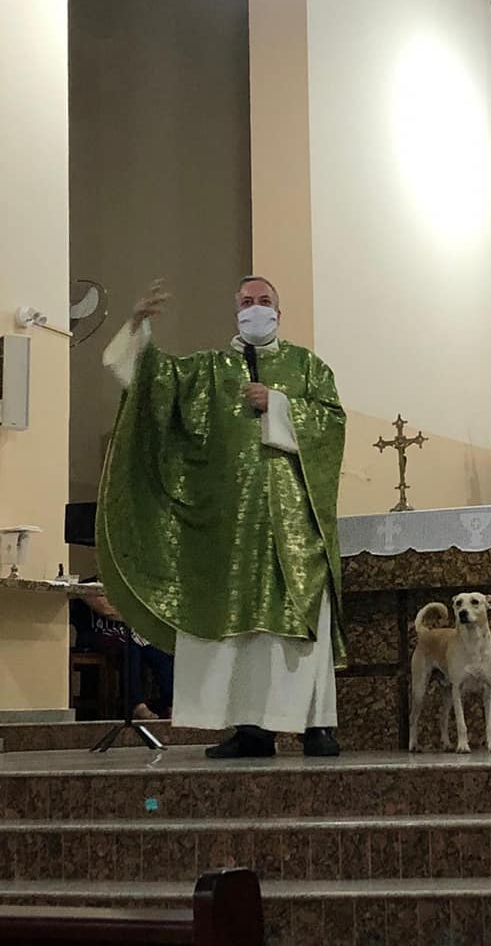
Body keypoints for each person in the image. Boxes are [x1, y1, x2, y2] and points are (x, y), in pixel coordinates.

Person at [97, 276, 346, 758]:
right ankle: (251, 729)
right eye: (248, 302)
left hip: (296, 527)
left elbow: (332, 425)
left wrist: (278, 404)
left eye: (265, 301)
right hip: (229, 531)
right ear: (236, 311)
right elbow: (154, 383)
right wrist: (139, 328)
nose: (257, 308)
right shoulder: (209, 371)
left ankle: (316, 726)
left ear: (280, 310)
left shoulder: (308, 367)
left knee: (299, 630)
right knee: (244, 633)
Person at [70, 577, 174, 721]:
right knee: (130, 646)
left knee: (161, 651)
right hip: (96, 634)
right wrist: (133, 615)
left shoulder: (125, 584)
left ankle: (170, 703)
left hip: (127, 633)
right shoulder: (87, 586)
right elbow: (107, 610)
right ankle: (136, 705)